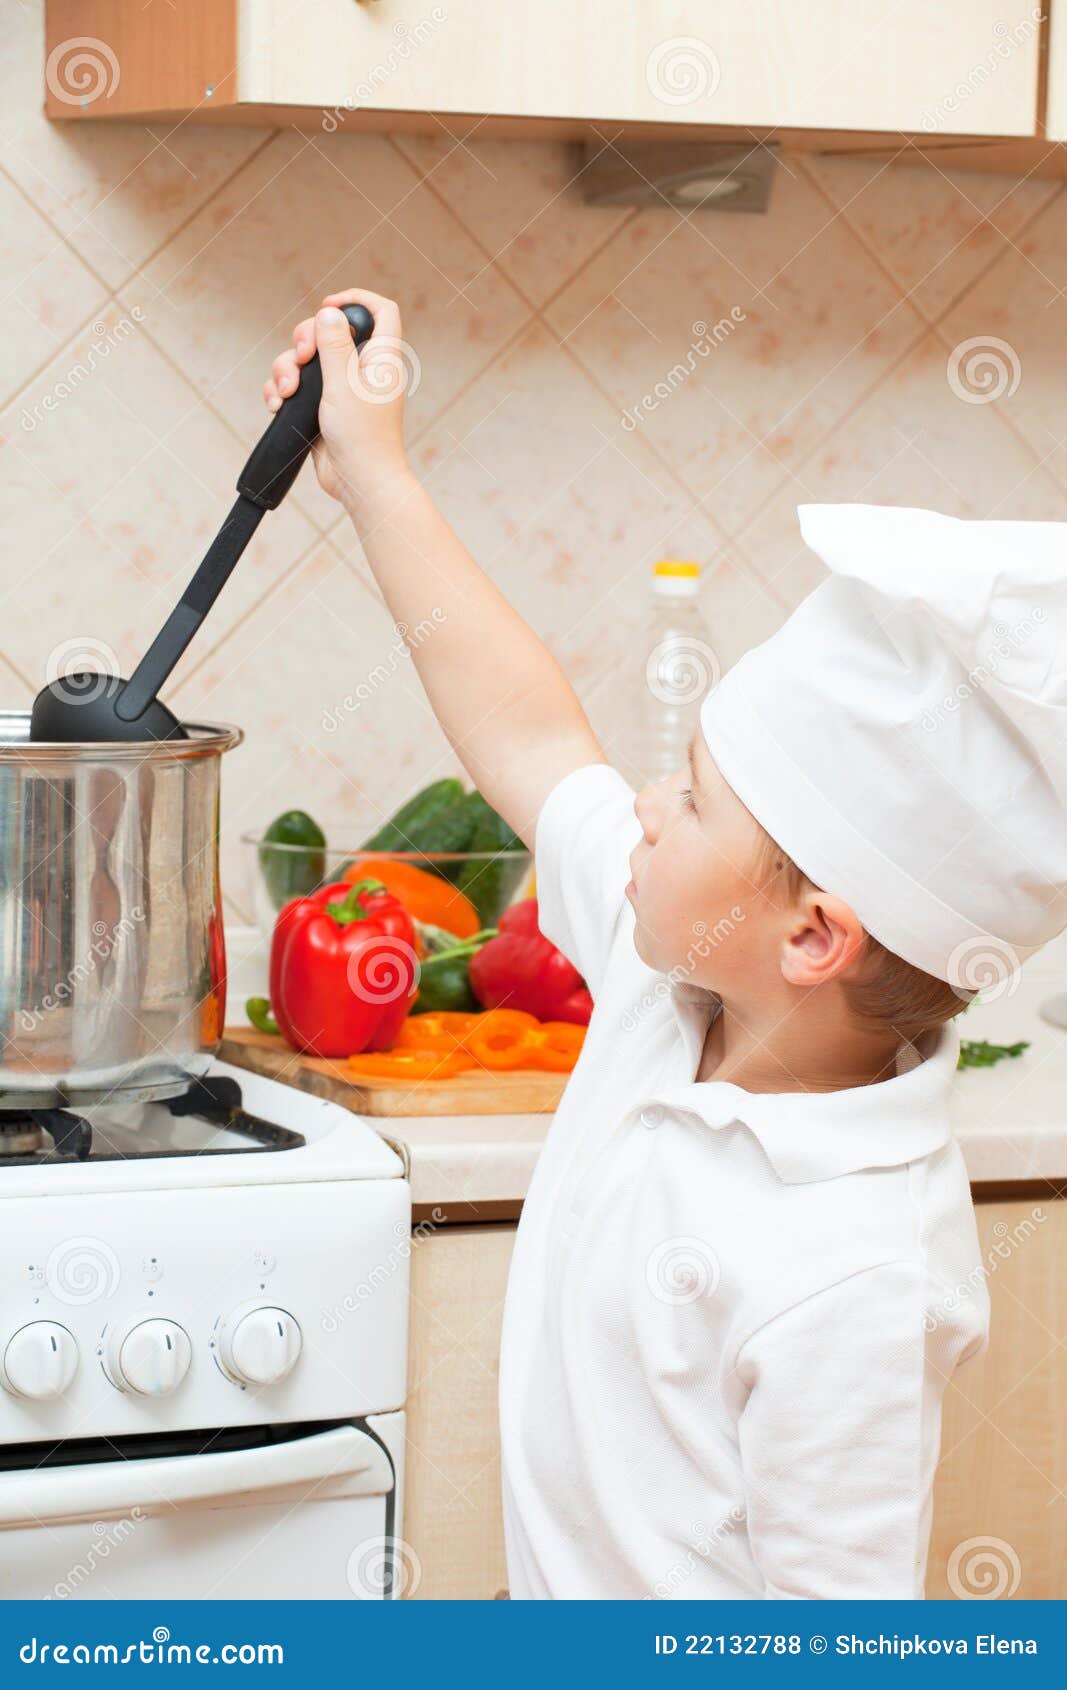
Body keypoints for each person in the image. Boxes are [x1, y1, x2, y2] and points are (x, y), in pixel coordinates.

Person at [262, 292, 1065, 1599]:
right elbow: (527, 733)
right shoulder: (673, 980)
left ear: (812, 935)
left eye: (690, 796)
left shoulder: (859, 1266)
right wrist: (375, 467)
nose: (643, 802)